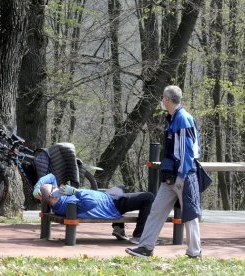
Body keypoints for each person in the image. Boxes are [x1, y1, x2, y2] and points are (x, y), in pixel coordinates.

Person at [126, 85, 202, 258]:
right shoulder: (173, 117)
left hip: (183, 176)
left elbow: (187, 152)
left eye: (163, 98)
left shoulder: (183, 118)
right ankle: (146, 247)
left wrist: (181, 177)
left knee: (189, 215)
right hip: (170, 177)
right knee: (157, 209)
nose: (161, 101)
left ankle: (194, 253)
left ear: (167, 99)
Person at [35, 173, 155, 243]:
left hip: (108, 196)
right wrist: (76, 192)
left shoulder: (58, 199)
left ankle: (118, 228)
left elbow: (51, 176)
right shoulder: (65, 206)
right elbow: (91, 203)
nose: (58, 188)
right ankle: (138, 236)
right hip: (112, 205)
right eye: (55, 188)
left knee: (120, 187)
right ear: (52, 195)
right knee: (148, 197)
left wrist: (37, 186)